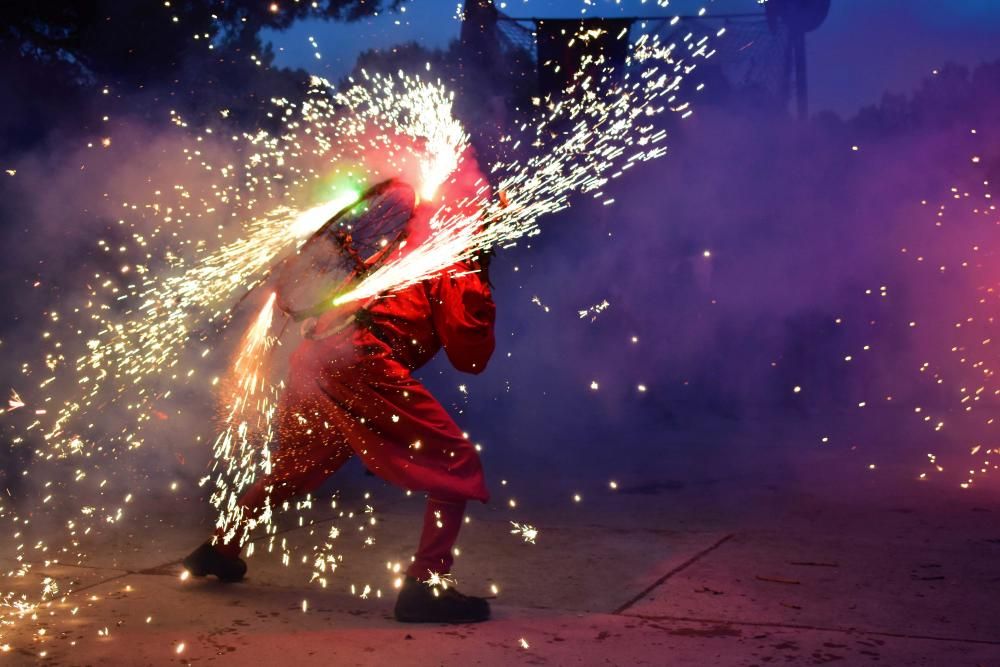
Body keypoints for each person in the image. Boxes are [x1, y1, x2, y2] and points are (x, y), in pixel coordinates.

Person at [184, 187, 497, 624]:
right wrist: (479, 286)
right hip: (357, 358)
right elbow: (471, 357)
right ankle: (425, 587)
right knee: (455, 462)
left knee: (298, 464)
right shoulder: (453, 259)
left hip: (314, 354)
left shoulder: (405, 249)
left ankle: (220, 548)